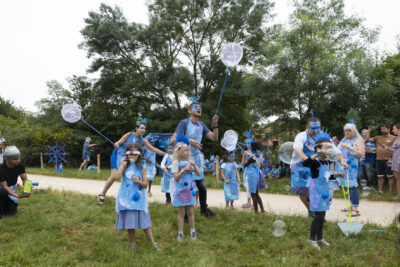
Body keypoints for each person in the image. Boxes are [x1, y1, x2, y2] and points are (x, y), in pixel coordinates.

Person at [97, 120, 166, 205]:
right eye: (141, 128)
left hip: (129, 157)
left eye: (145, 129)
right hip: (118, 156)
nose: (143, 130)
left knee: (130, 175)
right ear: (136, 128)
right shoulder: (129, 135)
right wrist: (117, 144)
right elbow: (118, 143)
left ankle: (128, 196)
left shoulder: (143, 141)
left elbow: (153, 149)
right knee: (115, 176)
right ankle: (102, 194)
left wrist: (165, 154)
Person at [291, 117, 346, 218]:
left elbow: (335, 151)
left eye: (318, 128)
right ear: (307, 127)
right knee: (302, 190)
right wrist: (308, 161)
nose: (316, 130)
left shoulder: (324, 137)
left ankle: (318, 211)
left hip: (318, 165)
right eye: (313, 128)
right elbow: (297, 149)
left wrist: (342, 161)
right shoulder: (301, 136)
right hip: (300, 165)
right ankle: (311, 211)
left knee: (320, 188)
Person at [171, 99, 218, 217]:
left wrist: (215, 125)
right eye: (195, 107)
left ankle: (204, 209)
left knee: (202, 186)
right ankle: (185, 214)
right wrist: (189, 141)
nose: (199, 109)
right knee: (186, 185)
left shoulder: (201, 125)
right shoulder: (184, 123)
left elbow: (214, 138)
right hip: (184, 158)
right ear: (189, 111)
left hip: (196, 158)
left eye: (200, 107)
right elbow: (173, 140)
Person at [114, 143, 160, 250]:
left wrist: (139, 181)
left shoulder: (142, 168)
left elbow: (145, 184)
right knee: (130, 222)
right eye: (130, 154)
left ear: (139, 155)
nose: (132, 156)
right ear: (126, 154)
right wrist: (122, 165)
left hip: (139, 200)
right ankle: (133, 243)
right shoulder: (124, 167)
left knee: (145, 222)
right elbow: (116, 177)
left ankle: (153, 242)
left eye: (135, 154)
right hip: (126, 199)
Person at [303, 132, 335, 251]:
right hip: (316, 191)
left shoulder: (330, 162)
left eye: (329, 147)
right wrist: (316, 154)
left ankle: (320, 238)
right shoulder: (315, 162)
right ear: (319, 149)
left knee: (323, 215)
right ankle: (312, 239)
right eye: (326, 147)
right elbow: (305, 163)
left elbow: (330, 176)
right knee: (318, 215)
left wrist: (339, 174)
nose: (329, 150)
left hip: (325, 191)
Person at [171, 135, 200, 241]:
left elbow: (198, 173)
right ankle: (180, 232)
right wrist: (183, 170)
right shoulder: (175, 163)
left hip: (190, 190)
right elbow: (175, 178)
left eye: (188, 150)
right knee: (181, 213)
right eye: (185, 150)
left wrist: (194, 166)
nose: (188, 152)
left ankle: (193, 231)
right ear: (179, 151)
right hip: (180, 190)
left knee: (191, 212)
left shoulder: (190, 162)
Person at [336, 120, 365, 217]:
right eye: (346, 130)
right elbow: (337, 152)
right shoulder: (343, 140)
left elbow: (361, 154)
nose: (347, 132)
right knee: (345, 186)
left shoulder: (358, 141)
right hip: (342, 166)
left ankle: (355, 209)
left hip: (352, 167)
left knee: (352, 186)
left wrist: (349, 148)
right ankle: (351, 205)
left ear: (354, 131)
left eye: (349, 130)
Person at [0, 146, 30, 217]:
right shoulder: (1, 169)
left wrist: (26, 189)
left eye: (19, 158)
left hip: (11, 189)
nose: (18, 161)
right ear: (7, 159)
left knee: (12, 214)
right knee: (3, 192)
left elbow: (24, 179)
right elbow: (5, 187)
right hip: (2, 190)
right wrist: (18, 196)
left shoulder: (20, 165)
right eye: (15, 159)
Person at [367, 124, 395, 194]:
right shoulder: (378, 137)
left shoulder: (394, 138)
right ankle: (380, 191)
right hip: (379, 160)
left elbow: (396, 149)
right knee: (380, 176)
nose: (382, 130)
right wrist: (369, 131)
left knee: (390, 177)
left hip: (389, 160)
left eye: (384, 129)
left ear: (388, 129)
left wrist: (392, 158)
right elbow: (368, 139)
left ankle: (390, 191)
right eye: (381, 129)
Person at [242, 141, 266, 214]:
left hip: (252, 175)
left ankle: (256, 212)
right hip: (257, 174)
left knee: (253, 194)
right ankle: (262, 210)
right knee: (256, 193)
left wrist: (244, 156)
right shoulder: (260, 155)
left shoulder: (251, 157)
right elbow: (261, 165)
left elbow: (243, 165)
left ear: (252, 147)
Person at [390, 123, 400, 200]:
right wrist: (387, 148)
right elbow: (394, 149)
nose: (393, 130)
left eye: (394, 129)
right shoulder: (395, 138)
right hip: (395, 160)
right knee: (397, 178)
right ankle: (398, 195)